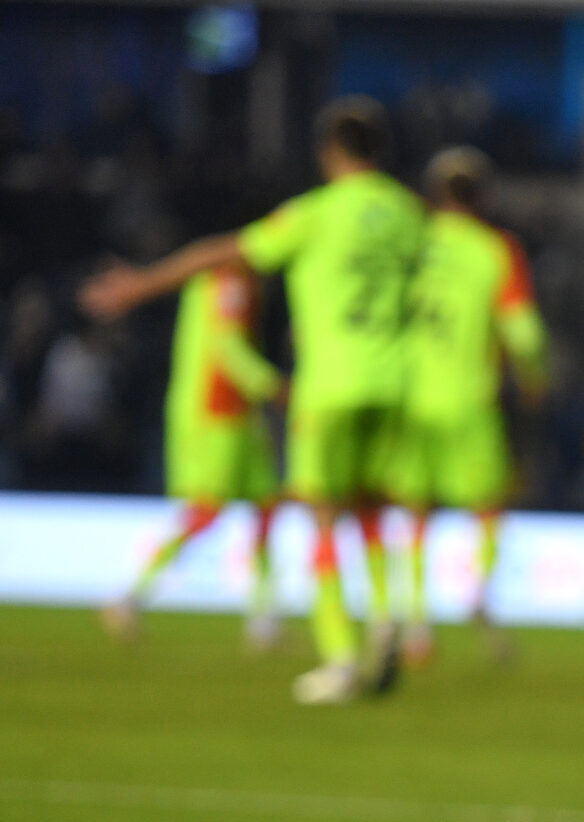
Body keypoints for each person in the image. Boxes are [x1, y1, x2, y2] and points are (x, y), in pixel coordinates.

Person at [82, 96, 425, 704]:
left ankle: (340, 659)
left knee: (320, 515)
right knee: (370, 509)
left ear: (328, 152)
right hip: (394, 382)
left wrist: (140, 284)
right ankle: (382, 618)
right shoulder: (408, 214)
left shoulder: (313, 214)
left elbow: (224, 256)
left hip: (327, 385)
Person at [391, 147, 549, 668]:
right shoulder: (495, 249)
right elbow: (522, 331)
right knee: (487, 506)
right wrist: (534, 377)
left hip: (411, 397)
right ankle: (478, 590)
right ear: (482, 195)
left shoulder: (411, 243)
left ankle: (416, 625)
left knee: (416, 512)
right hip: (470, 399)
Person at [100, 261, 283, 648]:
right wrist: (273, 388)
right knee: (205, 512)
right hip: (215, 412)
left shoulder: (215, 280)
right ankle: (129, 598)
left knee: (267, 506)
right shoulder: (232, 279)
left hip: (238, 413)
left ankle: (263, 622)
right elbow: (229, 346)